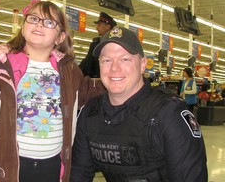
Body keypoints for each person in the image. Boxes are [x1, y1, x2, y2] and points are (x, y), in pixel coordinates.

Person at [0, 0, 105, 182]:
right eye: (34, 18)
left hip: (53, 166)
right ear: (23, 28)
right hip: (7, 165)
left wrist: (117, 80)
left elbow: (86, 90)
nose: (39, 24)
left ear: (60, 37)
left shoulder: (69, 71)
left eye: (49, 22)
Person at [70, 27, 208, 182]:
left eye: (125, 59)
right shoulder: (90, 113)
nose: (115, 68)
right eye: (107, 60)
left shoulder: (169, 114)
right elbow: (79, 172)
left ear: (143, 64)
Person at [79, 12, 117, 78]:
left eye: (99, 25)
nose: (97, 28)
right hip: (96, 82)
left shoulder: (115, 44)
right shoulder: (95, 43)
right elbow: (88, 61)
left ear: (107, 27)